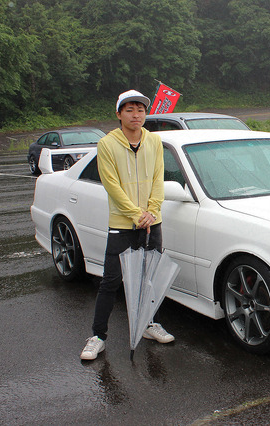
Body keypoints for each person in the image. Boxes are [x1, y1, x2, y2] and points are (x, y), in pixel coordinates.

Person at [81, 89, 174, 361]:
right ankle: (98, 336)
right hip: (122, 223)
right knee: (111, 280)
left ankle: (150, 324)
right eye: (130, 110)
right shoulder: (107, 144)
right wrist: (136, 214)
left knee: (150, 278)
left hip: (152, 223)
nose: (136, 115)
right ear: (119, 114)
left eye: (140, 110)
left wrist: (152, 211)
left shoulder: (154, 141)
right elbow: (111, 184)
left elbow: (158, 179)